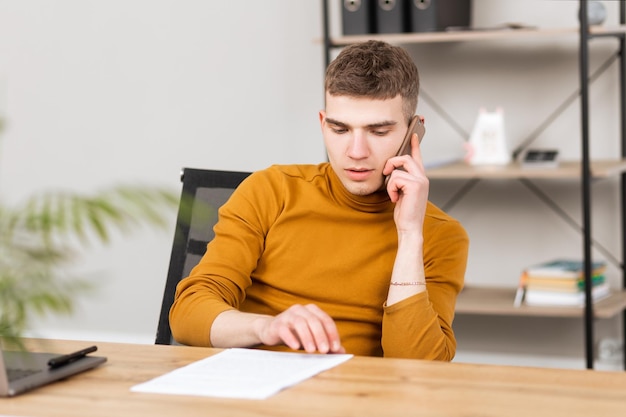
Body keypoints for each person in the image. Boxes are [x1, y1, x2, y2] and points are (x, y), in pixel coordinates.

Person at [170, 40, 469, 360]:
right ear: (322, 123)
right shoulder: (270, 190)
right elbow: (187, 313)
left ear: (414, 131)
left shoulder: (441, 235)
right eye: (339, 129)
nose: (356, 152)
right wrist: (265, 328)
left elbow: (418, 367)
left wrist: (410, 235)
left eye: (378, 132)